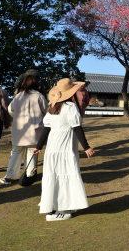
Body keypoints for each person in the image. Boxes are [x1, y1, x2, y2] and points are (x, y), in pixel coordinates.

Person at [33, 78, 95, 221]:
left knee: (53, 175)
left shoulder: (52, 106)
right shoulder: (70, 107)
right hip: (65, 146)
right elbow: (76, 127)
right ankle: (64, 209)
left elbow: (46, 128)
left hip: (52, 146)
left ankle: (52, 209)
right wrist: (86, 147)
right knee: (66, 174)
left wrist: (38, 146)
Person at [1, 75, 48, 185]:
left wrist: (17, 116)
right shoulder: (39, 96)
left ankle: (10, 176)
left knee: (16, 153)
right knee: (32, 153)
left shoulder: (18, 96)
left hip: (19, 130)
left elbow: (10, 109)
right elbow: (46, 111)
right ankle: (29, 176)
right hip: (35, 130)